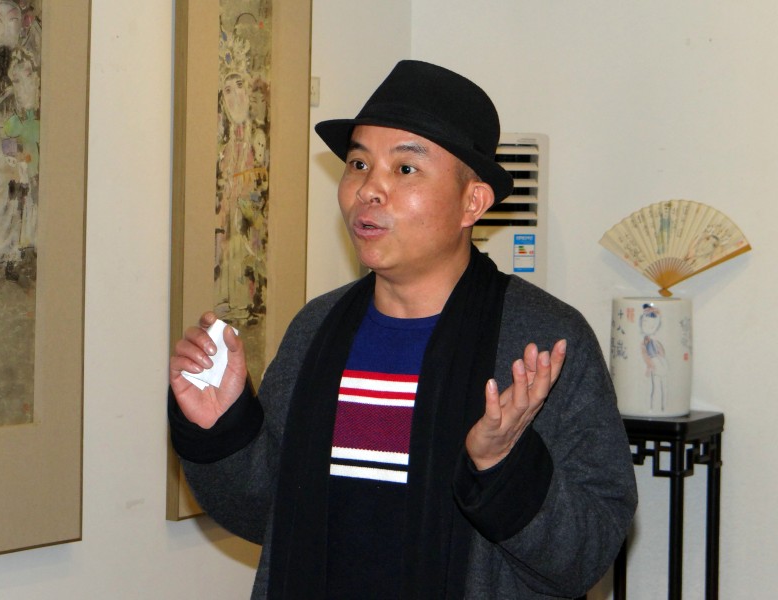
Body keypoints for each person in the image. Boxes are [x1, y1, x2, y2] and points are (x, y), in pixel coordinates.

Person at [169, 60, 637, 600]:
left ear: (472, 201)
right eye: (358, 164)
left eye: (405, 168)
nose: (369, 189)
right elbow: (270, 515)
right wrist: (222, 429)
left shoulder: (541, 340)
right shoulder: (317, 329)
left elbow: (588, 555)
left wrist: (502, 467)